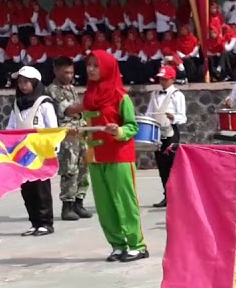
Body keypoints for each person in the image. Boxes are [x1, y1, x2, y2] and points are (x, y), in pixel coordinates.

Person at [74, 50, 146, 262]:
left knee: (125, 202)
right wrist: (77, 132)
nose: (91, 69)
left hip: (118, 155)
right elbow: (88, 126)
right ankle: (117, 244)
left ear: (107, 68)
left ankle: (137, 245)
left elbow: (132, 126)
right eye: (89, 65)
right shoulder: (88, 96)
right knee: (104, 205)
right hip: (95, 157)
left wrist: (119, 131)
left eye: (96, 66)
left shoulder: (120, 96)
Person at [7, 66, 57, 237]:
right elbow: (11, 127)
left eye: (26, 81)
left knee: (41, 188)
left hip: (40, 151)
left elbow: (52, 128)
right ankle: (34, 222)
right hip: (22, 153)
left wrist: (52, 150)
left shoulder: (44, 103)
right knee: (27, 189)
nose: (22, 85)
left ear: (35, 83)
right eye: (20, 82)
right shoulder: (17, 103)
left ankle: (46, 223)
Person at [46, 57, 91, 222]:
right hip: (66, 135)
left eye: (71, 72)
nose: (69, 75)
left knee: (83, 167)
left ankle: (79, 201)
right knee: (69, 170)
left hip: (80, 132)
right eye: (66, 72)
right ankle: (67, 206)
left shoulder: (71, 88)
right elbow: (69, 110)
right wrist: (90, 102)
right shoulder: (53, 90)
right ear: (56, 71)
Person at [145, 65, 187, 208]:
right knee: (162, 165)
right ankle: (167, 194)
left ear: (172, 79)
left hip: (171, 132)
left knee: (173, 165)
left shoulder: (177, 95)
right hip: (157, 133)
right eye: (161, 79)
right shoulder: (155, 94)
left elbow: (183, 117)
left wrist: (173, 117)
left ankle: (178, 195)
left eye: (165, 79)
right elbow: (149, 113)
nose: (162, 81)